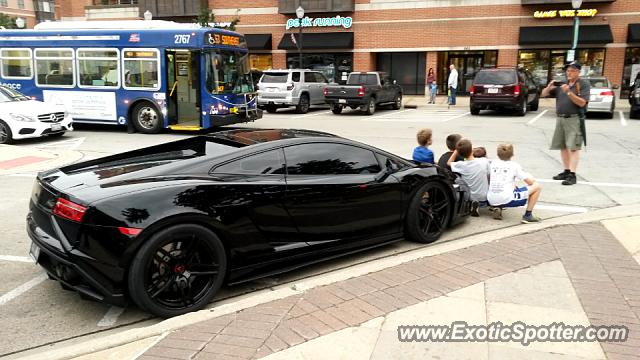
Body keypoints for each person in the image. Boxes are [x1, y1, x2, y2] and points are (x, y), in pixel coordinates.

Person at [541, 60, 590, 185]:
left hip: (574, 118)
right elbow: (543, 94)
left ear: (578, 72)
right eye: (568, 70)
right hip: (560, 118)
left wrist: (568, 92)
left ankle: (573, 175)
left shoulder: (582, 84)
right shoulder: (562, 84)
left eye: (572, 70)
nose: (569, 73)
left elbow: (582, 102)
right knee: (562, 146)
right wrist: (549, 87)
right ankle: (566, 171)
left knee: (573, 147)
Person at [487, 143, 543, 223]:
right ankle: (528, 215)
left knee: (508, 187)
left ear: (498, 154)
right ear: (512, 154)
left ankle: (497, 206)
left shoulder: (492, 163)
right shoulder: (514, 165)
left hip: (491, 198)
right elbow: (530, 182)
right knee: (537, 186)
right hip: (507, 199)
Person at [447, 138, 490, 217]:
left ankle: (471, 203)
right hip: (484, 196)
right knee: (487, 175)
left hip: (470, 196)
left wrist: (456, 150)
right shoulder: (484, 161)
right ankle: (490, 202)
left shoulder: (462, 165)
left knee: (458, 178)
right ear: (471, 150)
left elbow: (449, 162)